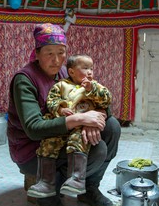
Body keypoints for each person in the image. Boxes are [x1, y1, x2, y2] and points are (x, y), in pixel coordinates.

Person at [7, 23, 121, 206]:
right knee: (97, 150)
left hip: (64, 135)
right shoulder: (25, 80)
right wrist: (79, 119)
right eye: (49, 53)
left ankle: (88, 188)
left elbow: (96, 101)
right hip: (32, 149)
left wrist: (91, 119)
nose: (56, 60)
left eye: (61, 53)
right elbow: (33, 129)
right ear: (37, 53)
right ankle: (47, 195)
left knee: (112, 127)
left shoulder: (65, 75)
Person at [27, 54, 112, 198]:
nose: (90, 72)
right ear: (71, 71)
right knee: (48, 144)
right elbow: (52, 100)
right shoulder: (61, 85)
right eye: (85, 68)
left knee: (78, 142)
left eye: (91, 68)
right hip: (61, 125)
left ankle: (77, 180)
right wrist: (60, 109)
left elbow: (106, 100)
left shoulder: (94, 86)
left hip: (80, 127)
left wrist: (93, 90)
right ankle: (46, 183)